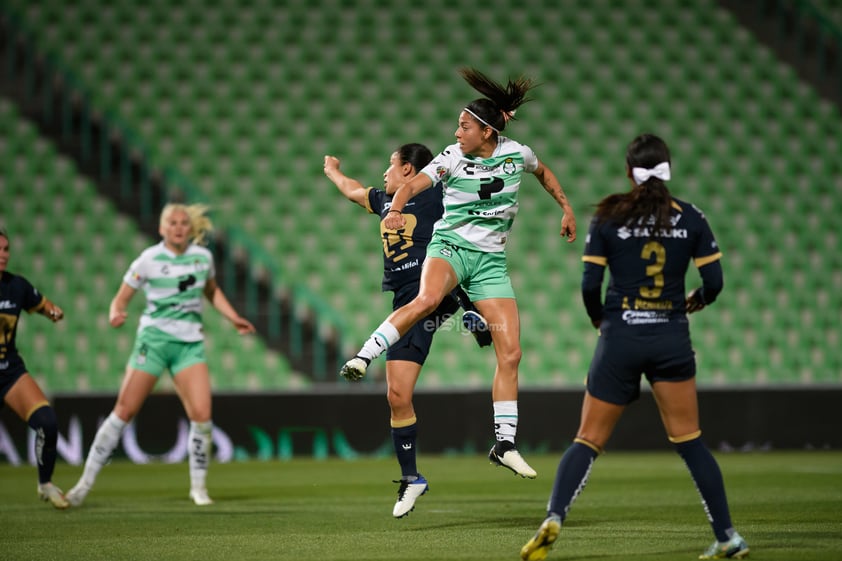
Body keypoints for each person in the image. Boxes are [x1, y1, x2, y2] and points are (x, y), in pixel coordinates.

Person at [339, 68, 577, 482]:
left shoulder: (517, 153)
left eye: (464, 126)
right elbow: (412, 187)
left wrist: (566, 206)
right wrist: (395, 207)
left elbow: (542, 171)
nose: (456, 132)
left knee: (512, 352)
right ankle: (365, 355)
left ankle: (504, 445)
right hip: (449, 248)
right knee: (427, 300)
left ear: (486, 132)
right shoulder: (450, 158)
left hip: (490, 262)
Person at [520, 133, 749, 561]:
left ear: (629, 171)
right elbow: (714, 283)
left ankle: (553, 517)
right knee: (690, 441)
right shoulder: (691, 217)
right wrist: (695, 303)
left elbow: (591, 285)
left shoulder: (608, 217)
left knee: (587, 440)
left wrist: (599, 320)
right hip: (670, 336)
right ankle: (728, 537)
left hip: (620, 335)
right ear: (667, 170)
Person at [324, 144, 492, 518]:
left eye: (390, 165)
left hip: (435, 285)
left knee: (447, 276)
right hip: (406, 306)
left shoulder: (436, 193)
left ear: (409, 168)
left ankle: (473, 311)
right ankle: (411, 478)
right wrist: (332, 170)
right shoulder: (384, 200)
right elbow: (352, 190)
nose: (384, 173)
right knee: (397, 395)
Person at [66, 203, 256, 507]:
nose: (179, 227)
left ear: (190, 228)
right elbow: (120, 300)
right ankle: (83, 485)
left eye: (183, 222)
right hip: (153, 342)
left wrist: (232, 317)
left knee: (202, 417)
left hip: (189, 345)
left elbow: (211, 291)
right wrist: (117, 313)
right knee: (123, 412)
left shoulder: (202, 258)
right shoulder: (148, 260)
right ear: (161, 228)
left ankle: (198, 489)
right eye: (172, 222)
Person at [0, 228, 70, 509]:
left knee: (47, 422)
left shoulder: (16, 286)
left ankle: (46, 484)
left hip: (10, 371)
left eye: (5, 249)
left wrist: (54, 312)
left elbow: (42, 305)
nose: (2, 255)